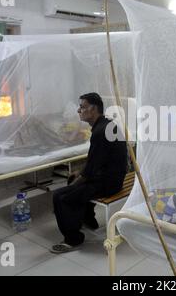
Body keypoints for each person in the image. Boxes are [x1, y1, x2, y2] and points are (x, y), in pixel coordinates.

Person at [50, 93, 127, 253]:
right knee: (74, 182)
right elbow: (97, 161)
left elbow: (91, 171)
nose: (79, 110)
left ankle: (73, 239)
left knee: (60, 196)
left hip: (108, 184)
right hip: (115, 179)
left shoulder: (100, 132)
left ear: (93, 109)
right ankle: (88, 219)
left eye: (82, 107)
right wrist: (79, 174)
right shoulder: (108, 125)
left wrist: (77, 181)